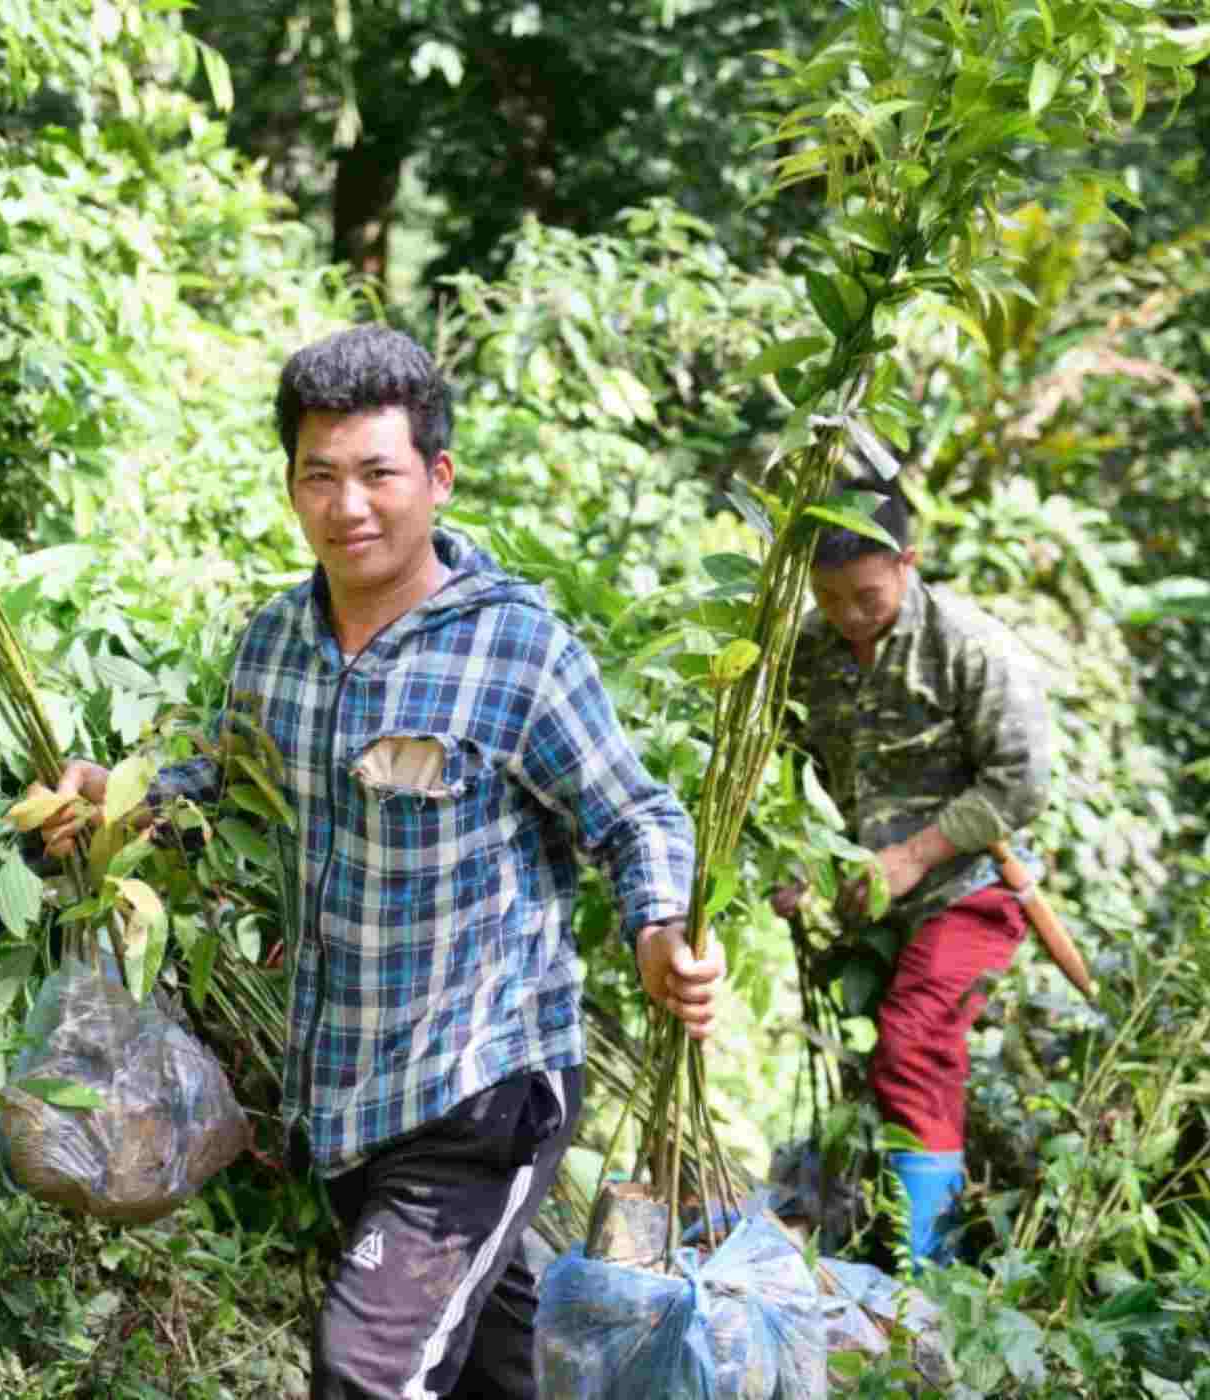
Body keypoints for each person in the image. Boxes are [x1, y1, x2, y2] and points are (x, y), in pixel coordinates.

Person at [38, 324, 722, 1399]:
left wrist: (656, 928)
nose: (347, 505)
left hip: (480, 1083)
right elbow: (225, 784)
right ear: (290, 484)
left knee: (366, 1371)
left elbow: (633, 812)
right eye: (320, 476)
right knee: (497, 1369)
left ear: (435, 477)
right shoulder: (274, 642)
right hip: (349, 1092)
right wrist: (111, 796)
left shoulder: (515, 649)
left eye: (376, 474)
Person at [776, 477, 1051, 1266]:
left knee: (914, 1048)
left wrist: (913, 856)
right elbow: (790, 766)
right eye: (829, 598)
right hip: (867, 901)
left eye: (866, 595)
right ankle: (881, 1245)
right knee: (873, 1069)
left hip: (970, 888)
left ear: (908, 563)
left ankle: (927, 1284)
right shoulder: (807, 648)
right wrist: (795, 859)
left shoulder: (968, 645)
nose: (848, 617)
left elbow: (1021, 781)